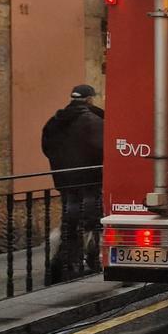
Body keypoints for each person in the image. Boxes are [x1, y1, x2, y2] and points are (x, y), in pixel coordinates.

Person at [41, 84, 104, 279]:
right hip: (89, 180)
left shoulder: (54, 121)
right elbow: (102, 148)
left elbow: (46, 148)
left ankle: (65, 261)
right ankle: (90, 260)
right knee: (90, 221)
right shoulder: (94, 121)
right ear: (89, 99)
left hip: (64, 179)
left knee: (69, 218)